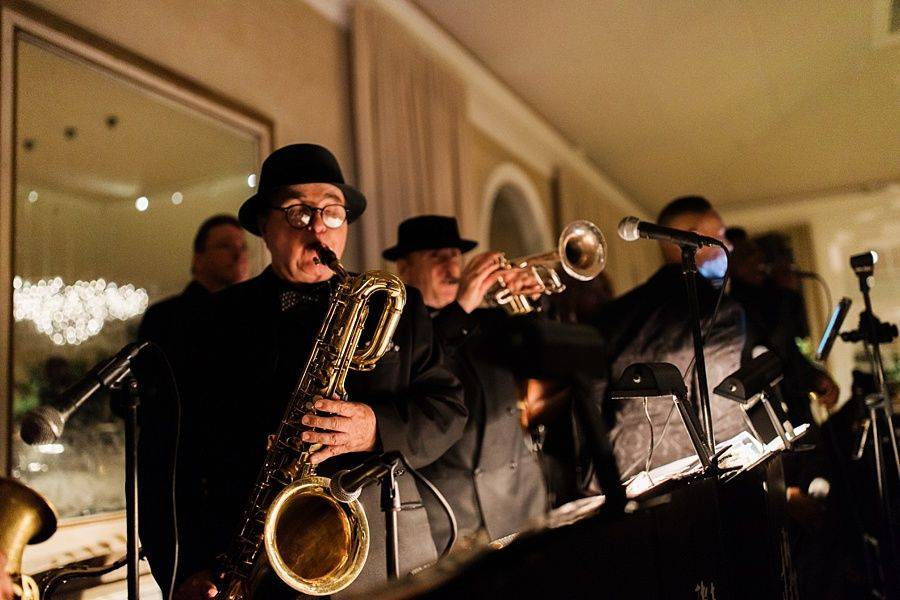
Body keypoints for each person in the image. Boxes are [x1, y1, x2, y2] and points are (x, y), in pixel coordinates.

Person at [159, 145, 465, 599]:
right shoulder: (207, 321)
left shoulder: (398, 306)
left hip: (385, 555)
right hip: (249, 564)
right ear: (265, 223)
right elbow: (171, 458)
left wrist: (376, 428)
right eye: (299, 212)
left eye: (332, 211)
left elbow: (449, 409)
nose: (319, 226)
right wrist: (184, 568)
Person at [384, 215, 548, 550]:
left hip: (519, 501)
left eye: (455, 256)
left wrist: (533, 303)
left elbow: (545, 356)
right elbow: (420, 370)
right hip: (446, 518)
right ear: (404, 268)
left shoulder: (490, 320)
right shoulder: (394, 331)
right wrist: (462, 306)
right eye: (436, 257)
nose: (451, 267)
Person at [595, 196, 749, 477]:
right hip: (691, 474)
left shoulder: (613, 313)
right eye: (721, 235)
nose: (729, 245)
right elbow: (721, 409)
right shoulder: (720, 311)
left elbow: (596, 401)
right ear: (693, 241)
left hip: (621, 472)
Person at [136, 214, 249, 595]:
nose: (238, 255)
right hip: (187, 501)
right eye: (224, 246)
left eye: (243, 248)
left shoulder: (252, 317)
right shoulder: (166, 318)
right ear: (197, 259)